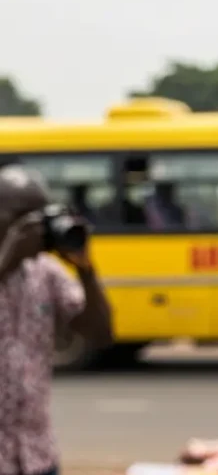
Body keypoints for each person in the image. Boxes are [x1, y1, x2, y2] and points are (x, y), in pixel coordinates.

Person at [0, 165, 113, 475]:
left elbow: (100, 334)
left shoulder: (47, 273)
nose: (35, 227)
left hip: (38, 456)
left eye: (41, 217)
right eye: (22, 216)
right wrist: (7, 261)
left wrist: (86, 270)